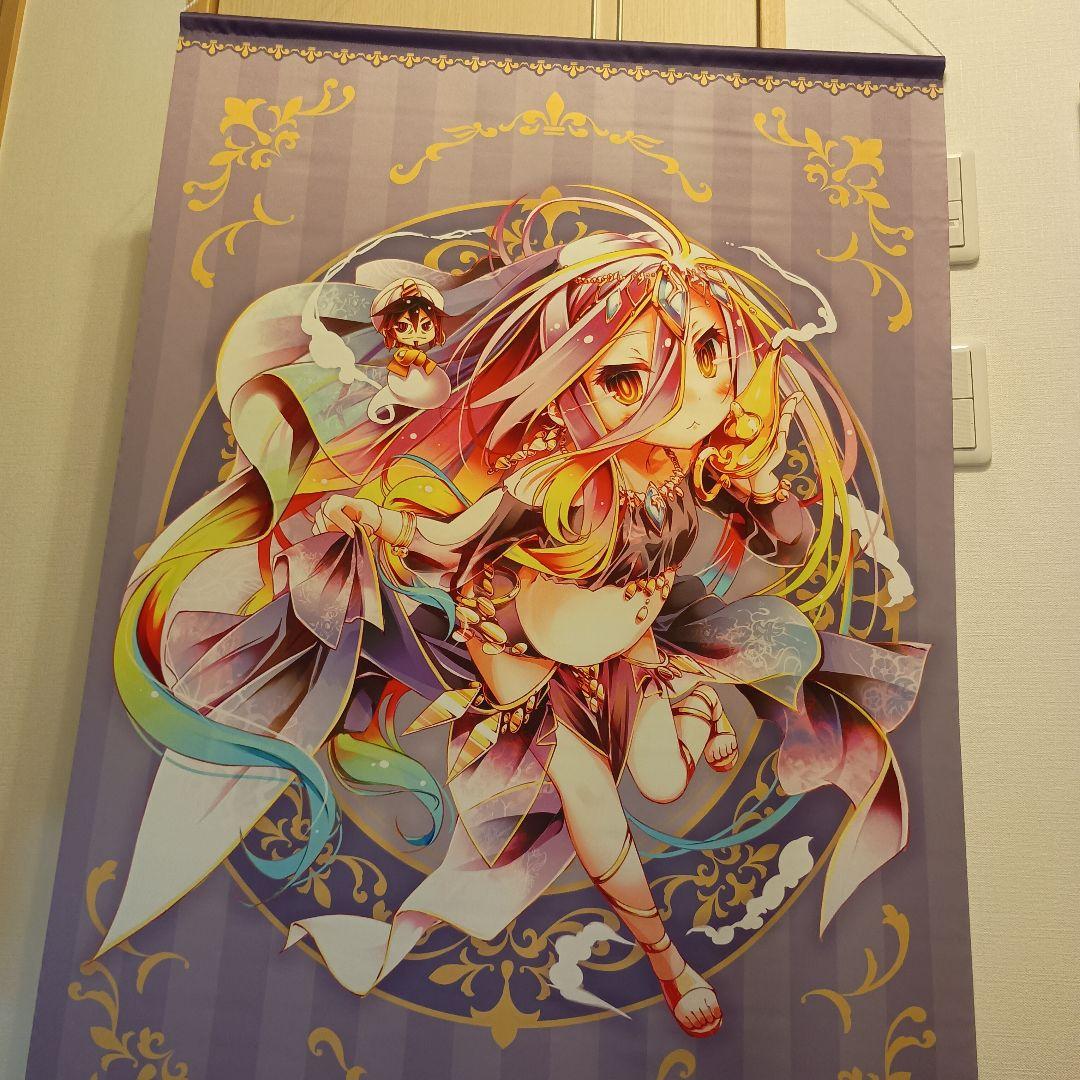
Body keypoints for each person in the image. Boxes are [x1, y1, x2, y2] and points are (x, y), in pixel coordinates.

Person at [104, 192, 926, 1039]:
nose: (684, 390)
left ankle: (686, 699)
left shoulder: (692, 468)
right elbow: (448, 535)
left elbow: (788, 543)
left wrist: (765, 490)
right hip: (535, 681)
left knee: (666, 780)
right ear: (577, 378)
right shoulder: (549, 478)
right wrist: (370, 516)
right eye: (627, 375)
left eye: (709, 353)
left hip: (632, 656)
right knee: (595, 814)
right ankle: (668, 962)